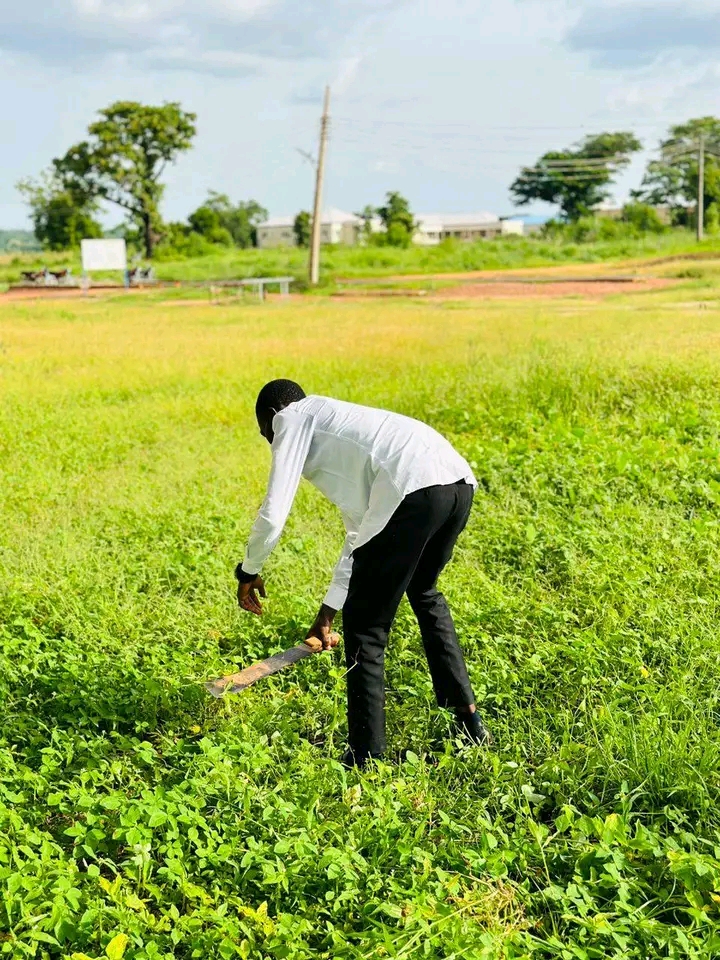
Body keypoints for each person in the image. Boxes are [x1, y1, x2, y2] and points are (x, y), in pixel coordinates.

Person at [236, 379, 491, 767]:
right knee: (424, 593)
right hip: (456, 484)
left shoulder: (290, 418)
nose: (272, 444)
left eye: (266, 435)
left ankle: (365, 757)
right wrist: (326, 614)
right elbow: (361, 536)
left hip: (413, 488)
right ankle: (470, 723)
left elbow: (274, 511)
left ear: (272, 417)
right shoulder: (340, 428)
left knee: (367, 626)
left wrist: (248, 570)